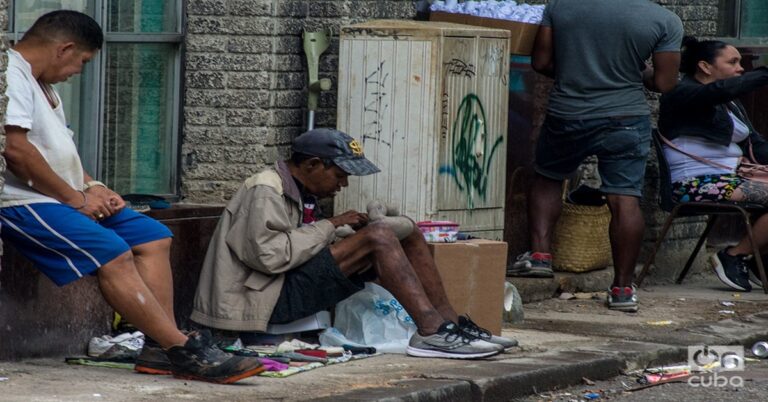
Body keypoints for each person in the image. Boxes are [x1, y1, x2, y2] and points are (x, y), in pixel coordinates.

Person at [0, 10, 263, 384]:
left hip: (65, 195)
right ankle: (182, 350)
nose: (78, 72)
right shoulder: (11, 73)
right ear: (65, 49)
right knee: (114, 252)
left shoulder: (44, 85)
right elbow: (15, 149)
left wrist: (93, 186)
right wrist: (75, 199)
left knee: (154, 236)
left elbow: (57, 150)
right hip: (22, 200)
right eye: (82, 62)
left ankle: (158, 346)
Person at [190, 128, 517, 359]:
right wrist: (331, 225)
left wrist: (344, 234)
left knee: (406, 231)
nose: (343, 184)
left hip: (280, 286)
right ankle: (430, 332)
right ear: (312, 164)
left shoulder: (301, 190)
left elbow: (302, 241)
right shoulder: (266, 190)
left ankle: (450, 326)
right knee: (378, 237)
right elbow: (269, 256)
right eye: (340, 175)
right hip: (260, 300)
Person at [508, 0, 683, 312]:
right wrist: (638, 72)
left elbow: (541, 62)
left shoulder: (560, 7)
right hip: (626, 119)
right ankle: (622, 290)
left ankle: (540, 257)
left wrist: (576, 71)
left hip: (568, 113)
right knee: (624, 198)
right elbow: (664, 83)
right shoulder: (664, 20)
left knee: (548, 178)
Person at [658, 36, 768, 292]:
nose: (740, 68)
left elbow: (757, 145)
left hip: (732, 179)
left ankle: (756, 260)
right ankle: (733, 256)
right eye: (732, 62)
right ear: (705, 67)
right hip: (695, 183)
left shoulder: (731, 105)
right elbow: (716, 92)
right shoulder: (684, 93)